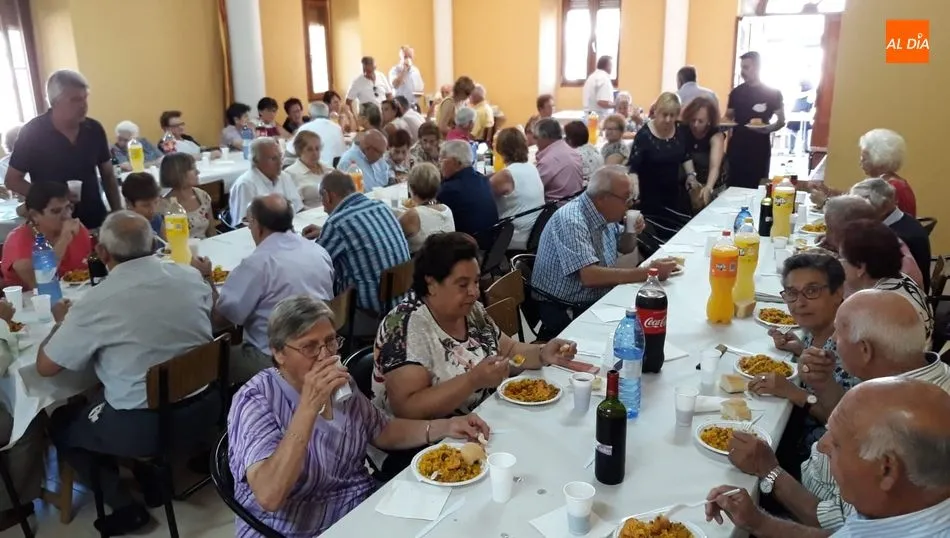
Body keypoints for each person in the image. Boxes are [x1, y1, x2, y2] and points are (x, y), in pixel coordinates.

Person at [228, 294, 489, 537]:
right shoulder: (256, 399)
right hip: (293, 529)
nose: (326, 356)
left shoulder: (341, 385)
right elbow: (269, 496)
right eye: (309, 347)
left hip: (358, 509)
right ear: (279, 353)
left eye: (330, 341)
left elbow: (382, 430)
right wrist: (308, 407)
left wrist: (447, 426)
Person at [39, 211, 218, 535]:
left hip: (147, 427)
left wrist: (61, 323)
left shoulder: (96, 302)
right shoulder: (189, 275)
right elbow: (213, 308)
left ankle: (123, 505)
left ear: (102, 253)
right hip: (207, 406)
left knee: (63, 422)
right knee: (108, 395)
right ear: (154, 244)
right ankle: (151, 479)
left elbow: (46, 367)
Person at [725, 289, 949, 534]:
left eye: (838, 333)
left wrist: (769, 471)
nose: (831, 339)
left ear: (865, 350)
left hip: (800, 500)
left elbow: (832, 522)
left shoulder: (902, 419)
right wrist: (823, 384)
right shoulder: (916, 384)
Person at [372, 233, 574, 469]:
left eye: (476, 282)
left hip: (478, 423)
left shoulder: (471, 311)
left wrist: (541, 354)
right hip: (424, 447)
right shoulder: (405, 327)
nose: (474, 292)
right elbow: (408, 409)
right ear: (431, 284)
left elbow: (509, 352)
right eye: (463, 284)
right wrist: (472, 381)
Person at [706, 378, 950, 537]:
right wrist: (759, 522)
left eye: (837, 443)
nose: (822, 446)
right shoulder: (898, 506)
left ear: (886, 470)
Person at [531, 166, 672, 339]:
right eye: (626, 198)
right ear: (602, 198)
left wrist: (631, 230)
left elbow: (625, 247)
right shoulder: (571, 219)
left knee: (653, 310)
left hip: (596, 296)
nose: (631, 203)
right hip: (566, 307)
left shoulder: (604, 214)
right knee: (642, 328)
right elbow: (590, 277)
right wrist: (649, 273)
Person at [215, 194, 334, 382]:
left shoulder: (258, 264)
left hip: (274, 360)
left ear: (257, 225)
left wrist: (207, 280)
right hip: (319, 350)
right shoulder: (318, 251)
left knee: (212, 361)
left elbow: (222, 319)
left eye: (249, 222)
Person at [762, 252, 849, 463]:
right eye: (792, 292)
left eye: (812, 291)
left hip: (816, 457)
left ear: (838, 293)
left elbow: (840, 420)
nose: (800, 303)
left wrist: (793, 392)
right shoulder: (817, 329)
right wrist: (800, 349)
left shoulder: (848, 347)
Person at [5, 69, 120, 229]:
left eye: (85, 98)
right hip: (53, 226)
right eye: (75, 100)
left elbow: (108, 175)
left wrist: (118, 213)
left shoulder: (94, 129)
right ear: (55, 101)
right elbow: (12, 180)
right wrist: (49, 197)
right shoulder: (33, 132)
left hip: (94, 219)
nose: (84, 105)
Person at [302, 172, 410, 316]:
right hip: (402, 301)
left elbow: (315, 265)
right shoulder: (381, 207)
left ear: (327, 196)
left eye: (322, 199)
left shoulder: (337, 223)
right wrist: (325, 232)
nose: (323, 208)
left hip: (369, 312)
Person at [838, 219, 933, 347]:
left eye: (841, 258)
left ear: (860, 267)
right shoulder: (902, 279)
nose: (839, 263)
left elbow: (852, 351)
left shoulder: (875, 306)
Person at [627, 92, 699, 237]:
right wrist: (634, 191)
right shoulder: (644, 135)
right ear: (656, 112)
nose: (668, 119)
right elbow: (633, 167)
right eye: (664, 114)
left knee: (680, 231)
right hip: (649, 196)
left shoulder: (680, 132)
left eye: (672, 115)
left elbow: (685, 156)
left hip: (673, 195)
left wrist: (691, 175)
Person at [1, 181, 91, 288]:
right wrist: (64, 240)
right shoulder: (18, 241)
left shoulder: (78, 230)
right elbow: (41, 283)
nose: (66, 216)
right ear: (35, 216)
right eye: (56, 211)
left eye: (68, 207)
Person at [821, 194, 922, 286]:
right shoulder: (883, 240)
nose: (827, 236)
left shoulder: (881, 262)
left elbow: (842, 289)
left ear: (851, 229)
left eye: (830, 229)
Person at [850, 177, 930, 291]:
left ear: (884, 206)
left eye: (861, 207)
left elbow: (875, 278)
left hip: (904, 294)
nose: (856, 213)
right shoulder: (903, 220)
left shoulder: (895, 238)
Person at [725, 51, 785, 189]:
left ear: (757, 67)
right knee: (734, 187)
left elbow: (781, 121)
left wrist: (767, 129)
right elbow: (728, 117)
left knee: (758, 187)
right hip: (737, 147)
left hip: (759, 149)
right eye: (741, 67)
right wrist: (722, 126)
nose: (742, 72)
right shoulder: (736, 92)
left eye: (746, 67)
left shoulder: (773, 93)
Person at [437, 140, 498, 249]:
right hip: (490, 244)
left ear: (455, 162)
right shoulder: (482, 180)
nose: (439, 164)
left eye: (442, 159)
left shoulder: (450, 189)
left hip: (466, 248)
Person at [490, 128, 544, 250]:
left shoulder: (506, 175)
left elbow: (482, 197)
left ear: (500, 149)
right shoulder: (531, 168)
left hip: (513, 236)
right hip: (534, 233)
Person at [229, 138, 303, 226]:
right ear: (256, 160)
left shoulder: (284, 177)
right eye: (273, 159)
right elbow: (244, 224)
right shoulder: (245, 185)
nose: (280, 162)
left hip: (290, 228)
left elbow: (298, 208)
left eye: (280, 157)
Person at [681, 96, 727, 205]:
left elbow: (714, 167)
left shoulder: (716, 135)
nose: (695, 124)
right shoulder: (683, 130)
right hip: (690, 183)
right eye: (693, 120)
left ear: (709, 121)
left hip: (714, 185)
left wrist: (708, 188)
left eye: (700, 121)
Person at [399, 163, 454, 253]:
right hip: (446, 259)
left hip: (420, 261)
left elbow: (391, 235)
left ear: (411, 187)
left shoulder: (413, 215)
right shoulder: (447, 209)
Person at [159, 152, 216, 238]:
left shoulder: (202, 196)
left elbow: (211, 232)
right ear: (177, 173)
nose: (198, 172)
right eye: (192, 168)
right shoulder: (164, 206)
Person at [534, 118, 584, 202]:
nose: (535, 142)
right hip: (575, 203)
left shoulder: (548, 161)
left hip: (557, 207)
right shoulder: (572, 151)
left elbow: (533, 188)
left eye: (536, 137)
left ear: (545, 137)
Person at [288, 102, 344, 167]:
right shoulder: (337, 127)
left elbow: (290, 150)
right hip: (338, 168)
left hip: (317, 168)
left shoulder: (305, 128)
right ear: (327, 113)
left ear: (310, 115)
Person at [285, 130, 328, 208]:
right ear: (299, 151)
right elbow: (296, 206)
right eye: (309, 149)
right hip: (311, 213)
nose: (315, 153)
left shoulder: (327, 168)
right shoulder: (290, 174)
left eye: (317, 149)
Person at [120, 172, 164, 246]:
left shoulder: (156, 219)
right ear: (129, 203)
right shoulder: (122, 231)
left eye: (156, 202)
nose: (153, 210)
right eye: (146, 205)